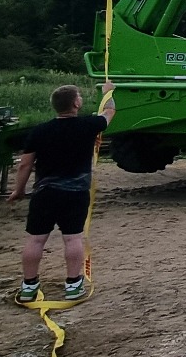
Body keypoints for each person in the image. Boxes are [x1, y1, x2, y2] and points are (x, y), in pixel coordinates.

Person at [8, 81, 115, 304]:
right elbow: (109, 112)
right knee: (73, 238)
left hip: (44, 193)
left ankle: (28, 287)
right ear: (76, 103)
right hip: (75, 194)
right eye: (80, 98)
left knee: (35, 240)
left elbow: (25, 165)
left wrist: (19, 190)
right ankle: (73, 285)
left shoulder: (39, 131)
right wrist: (108, 92)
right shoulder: (88, 125)